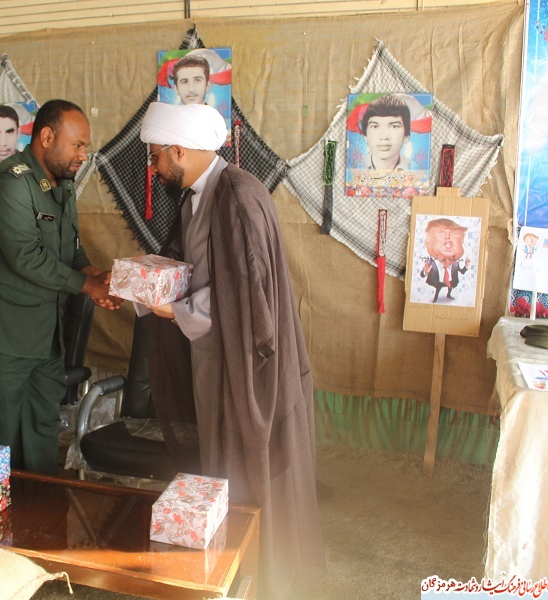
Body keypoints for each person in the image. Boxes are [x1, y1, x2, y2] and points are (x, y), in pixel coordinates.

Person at [138, 101, 325, 599]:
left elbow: (244, 298)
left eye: (156, 158)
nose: (154, 170)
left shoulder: (236, 196)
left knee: (246, 468)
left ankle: (258, 577)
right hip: (213, 359)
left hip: (245, 365)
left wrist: (173, 311)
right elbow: (187, 267)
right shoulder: (200, 196)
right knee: (220, 466)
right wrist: (142, 285)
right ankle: (226, 573)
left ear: (179, 151)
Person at [0, 99, 121, 475]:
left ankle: (40, 508)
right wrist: (88, 287)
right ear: (47, 137)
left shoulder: (61, 184)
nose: (83, 155)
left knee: (43, 432)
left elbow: (70, 249)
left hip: (47, 337)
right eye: (77, 145)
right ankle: (1, 514)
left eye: (85, 146)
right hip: (2, 336)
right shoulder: (8, 182)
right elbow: (26, 256)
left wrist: (95, 276)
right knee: (0, 442)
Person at [419, 218, 471, 303]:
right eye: (441, 232)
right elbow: (422, 274)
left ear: (462, 241)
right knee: (438, 289)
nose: (447, 237)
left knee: (450, 286)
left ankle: (448, 295)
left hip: (450, 280)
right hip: (439, 281)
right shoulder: (431, 263)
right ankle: (435, 298)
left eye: (453, 233)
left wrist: (466, 265)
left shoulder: (455, 264)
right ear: (428, 240)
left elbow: (462, 271)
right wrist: (425, 272)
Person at [359, 94, 411, 171]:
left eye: (394, 126)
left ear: (406, 136)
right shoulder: (354, 167)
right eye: (375, 126)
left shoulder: (417, 168)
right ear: (365, 136)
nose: (383, 137)